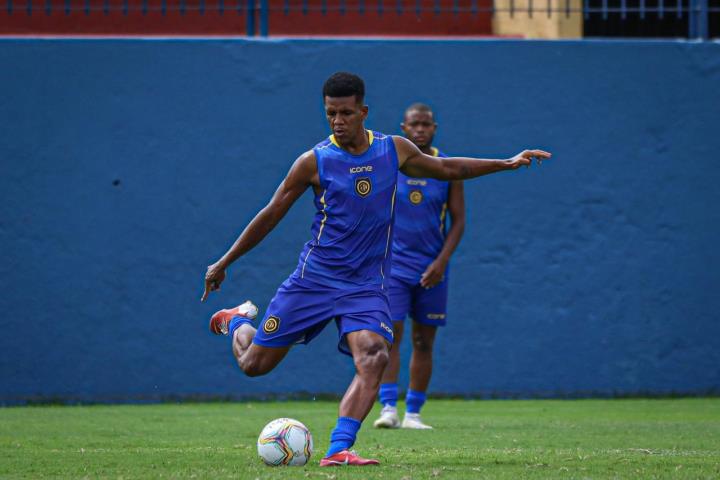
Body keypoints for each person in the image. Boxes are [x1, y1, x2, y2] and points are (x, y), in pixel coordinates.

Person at [201, 72, 551, 467]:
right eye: (331, 113)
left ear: (363, 111)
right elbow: (270, 214)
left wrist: (506, 163)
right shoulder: (313, 162)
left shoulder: (393, 150)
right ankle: (235, 321)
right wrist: (224, 261)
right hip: (313, 281)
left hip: (365, 287)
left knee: (374, 355)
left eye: (346, 113)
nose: (338, 121)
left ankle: (338, 448)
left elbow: (450, 169)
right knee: (254, 366)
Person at [373, 103, 463, 430]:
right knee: (389, 338)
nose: (421, 129)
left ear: (434, 128)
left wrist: (441, 263)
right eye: (415, 124)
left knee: (424, 341)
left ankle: (413, 413)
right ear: (404, 127)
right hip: (394, 268)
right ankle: (387, 409)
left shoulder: (446, 167)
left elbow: (459, 222)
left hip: (433, 270)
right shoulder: (391, 163)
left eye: (426, 124)